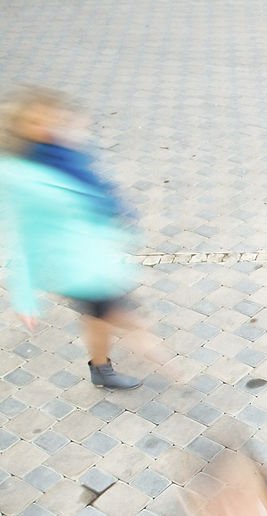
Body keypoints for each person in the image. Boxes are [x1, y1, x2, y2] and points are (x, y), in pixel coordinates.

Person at [0, 87, 174, 389]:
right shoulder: (18, 175)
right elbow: (21, 234)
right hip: (71, 264)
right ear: (19, 129)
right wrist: (24, 295)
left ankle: (102, 366)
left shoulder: (59, 151)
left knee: (99, 316)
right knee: (117, 315)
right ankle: (153, 359)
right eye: (35, 122)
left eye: (49, 117)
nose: (46, 126)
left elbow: (93, 189)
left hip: (93, 254)